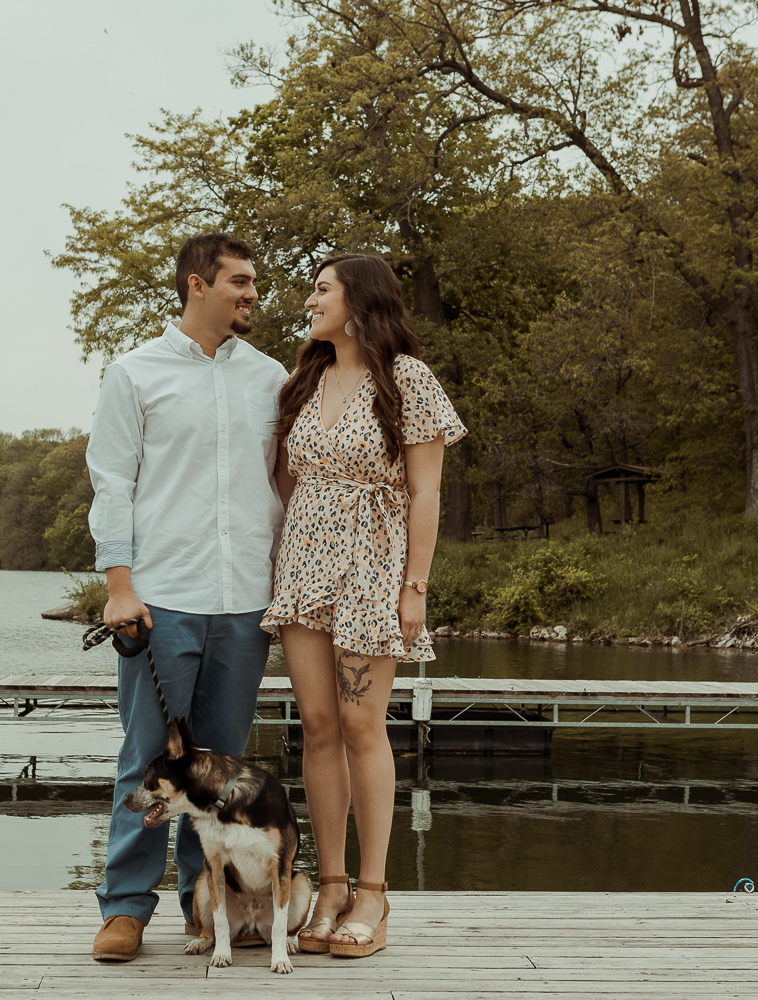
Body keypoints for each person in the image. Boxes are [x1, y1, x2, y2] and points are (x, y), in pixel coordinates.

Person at [86, 233, 289, 962]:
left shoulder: (271, 378)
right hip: (161, 599)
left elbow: (287, 483)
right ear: (197, 285)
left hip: (245, 602)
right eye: (239, 280)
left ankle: (207, 910)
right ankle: (124, 909)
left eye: (254, 281)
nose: (252, 293)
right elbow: (112, 482)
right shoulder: (135, 373)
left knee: (222, 771)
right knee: (148, 758)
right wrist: (119, 587)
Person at [261, 254, 466, 959]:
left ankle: (375, 893)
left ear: (359, 301)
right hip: (306, 564)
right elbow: (288, 480)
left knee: (360, 723)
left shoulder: (407, 378)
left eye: (321, 289)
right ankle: (333, 884)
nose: (309, 300)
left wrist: (415, 585)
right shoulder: (303, 380)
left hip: (375, 566)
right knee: (316, 725)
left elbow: (428, 492)